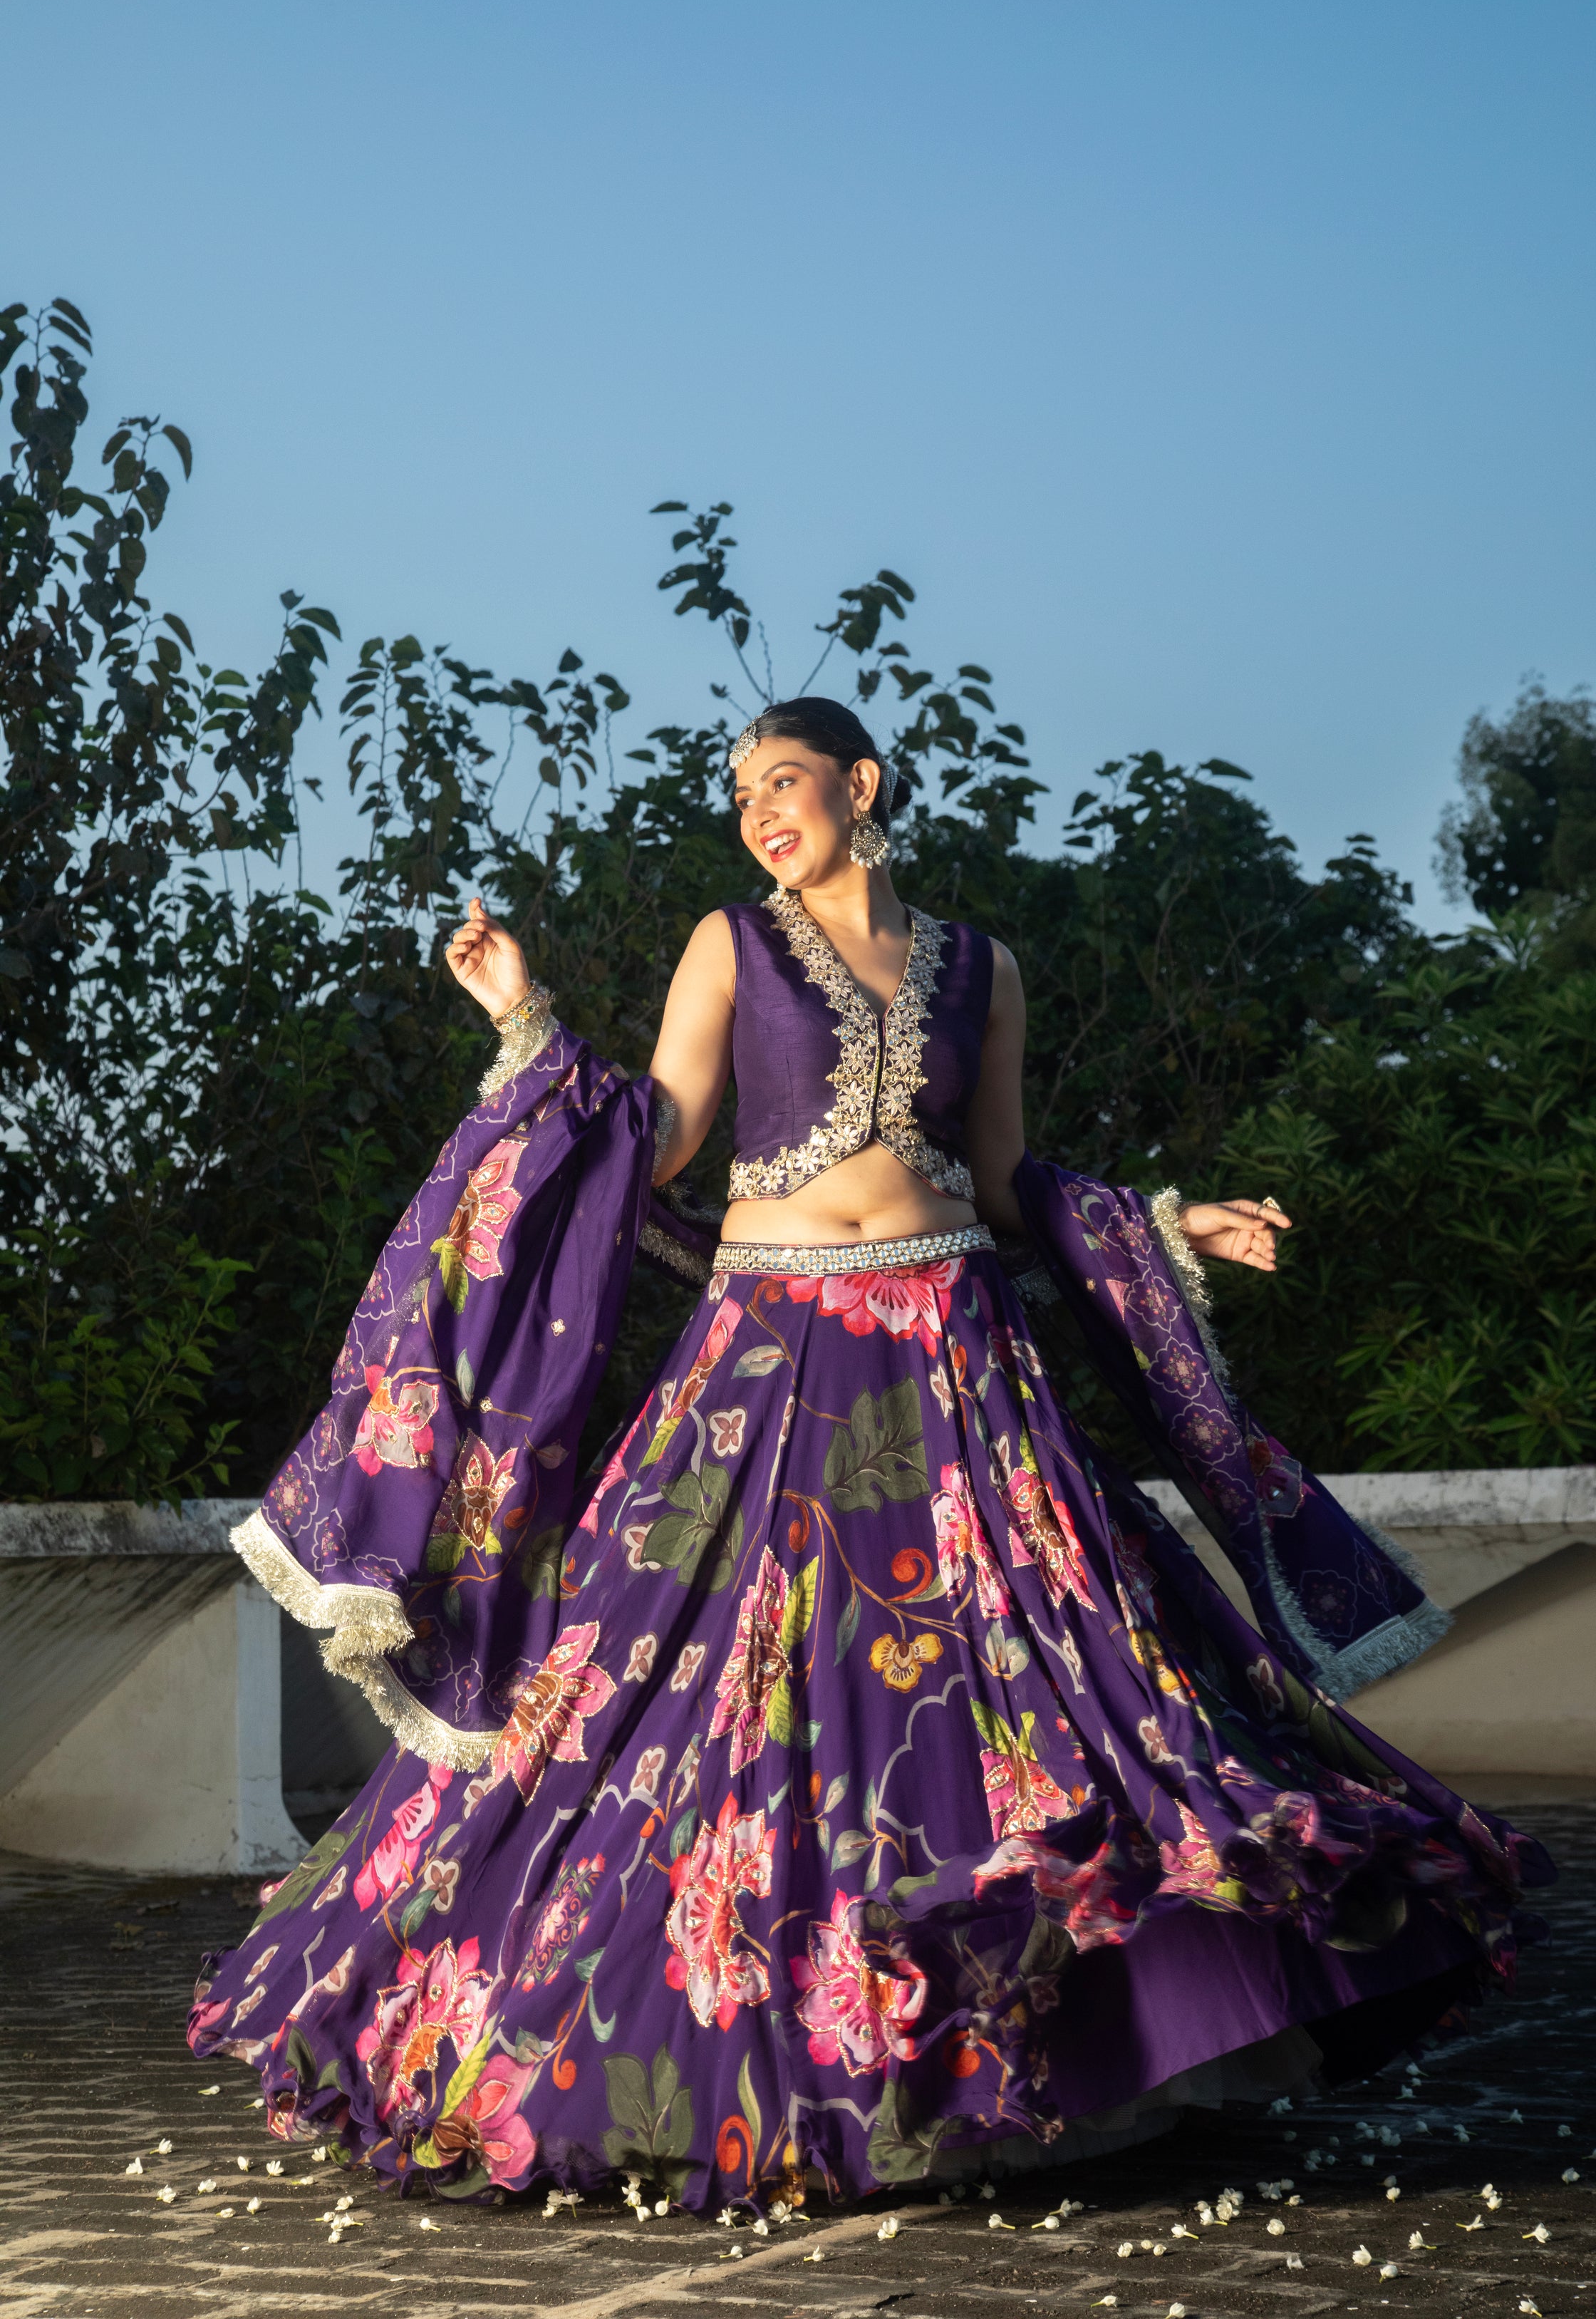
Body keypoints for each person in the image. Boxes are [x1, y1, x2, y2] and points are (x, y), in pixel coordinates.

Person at [192, 695, 1550, 2211]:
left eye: (784, 780)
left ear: (862, 783)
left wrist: (1176, 1226)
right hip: (767, 1360)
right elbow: (663, 1133)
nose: (760, 811)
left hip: (959, 1356)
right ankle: (708, 2051)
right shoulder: (733, 943)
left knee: (1020, 1685)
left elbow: (1007, 1174)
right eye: (740, 793)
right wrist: (525, 1024)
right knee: (700, 1701)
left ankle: (1036, 2065)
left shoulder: (982, 966)